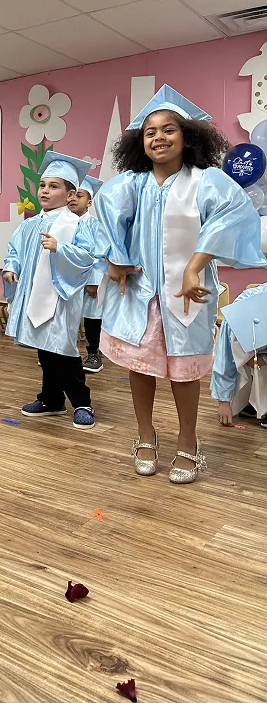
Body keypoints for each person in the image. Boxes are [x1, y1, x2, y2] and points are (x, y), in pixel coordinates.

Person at [95, 85, 266, 483]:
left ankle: (188, 441)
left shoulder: (207, 182)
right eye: (150, 131)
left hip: (187, 294)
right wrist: (114, 258)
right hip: (138, 293)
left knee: (184, 372)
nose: (158, 137)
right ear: (141, 141)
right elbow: (102, 219)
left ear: (188, 137)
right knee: (140, 366)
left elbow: (232, 216)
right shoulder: (131, 185)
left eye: (169, 129)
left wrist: (196, 264)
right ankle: (144, 434)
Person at [3, 153, 97, 429]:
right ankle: (51, 399)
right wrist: (11, 267)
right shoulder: (29, 224)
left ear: (70, 194)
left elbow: (87, 256)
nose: (45, 190)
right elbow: (15, 250)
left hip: (60, 296)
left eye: (54, 186)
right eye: (43, 185)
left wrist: (61, 248)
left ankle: (82, 402)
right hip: (34, 295)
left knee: (64, 349)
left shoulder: (76, 224)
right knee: (44, 349)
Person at [211, 283, 267, 427]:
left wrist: (265, 359)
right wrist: (224, 401)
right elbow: (225, 353)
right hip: (251, 370)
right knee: (237, 343)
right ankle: (251, 401)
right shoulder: (247, 300)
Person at [68, 175, 105, 374]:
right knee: (67, 316)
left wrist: (94, 281)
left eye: (79, 195)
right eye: (70, 195)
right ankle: (64, 351)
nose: (73, 199)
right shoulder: (61, 223)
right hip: (67, 280)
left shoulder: (95, 226)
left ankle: (93, 353)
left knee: (91, 316)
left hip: (88, 280)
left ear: (89, 202)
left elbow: (99, 254)